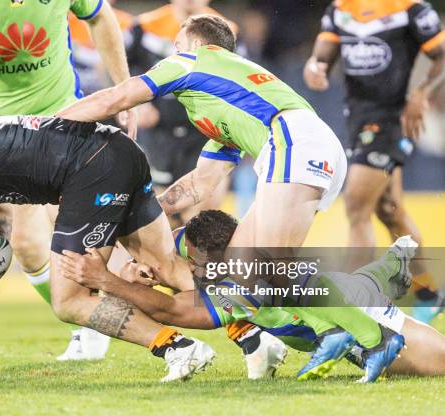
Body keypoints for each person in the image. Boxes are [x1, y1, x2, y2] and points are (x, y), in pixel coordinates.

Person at [56, 14, 409, 382]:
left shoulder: (191, 60)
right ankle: (332, 331)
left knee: (269, 266)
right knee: (245, 270)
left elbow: (118, 96)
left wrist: (46, 124)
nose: (171, 51)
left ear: (194, 43)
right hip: (304, 144)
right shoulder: (225, 98)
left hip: (292, 141)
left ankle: (373, 338)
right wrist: (146, 212)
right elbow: (200, 184)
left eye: (177, 43)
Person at [0, 98, 215, 383]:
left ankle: (176, 347)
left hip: (89, 167)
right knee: (164, 266)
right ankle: (251, 325)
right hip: (116, 152)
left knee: (69, 300)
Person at [0, 0, 137, 358]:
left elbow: (100, 16)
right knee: (28, 248)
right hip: (5, 132)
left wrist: (125, 90)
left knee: (100, 234)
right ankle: (88, 321)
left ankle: (123, 321)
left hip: (66, 119)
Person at [58, 210, 445, 381]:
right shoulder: (203, 240)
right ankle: (391, 265)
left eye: (198, 267)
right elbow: (159, 262)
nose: (190, 271)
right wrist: (135, 273)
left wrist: (108, 281)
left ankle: (390, 269)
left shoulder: (244, 285)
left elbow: (181, 313)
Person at [303, 0, 445, 323]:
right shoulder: (340, 9)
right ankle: (428, 292)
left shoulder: (411, 8)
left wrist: (421, 92)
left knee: (356, 204)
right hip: (358, 119)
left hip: (394, 119)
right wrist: (316, 68)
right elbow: (321, 56)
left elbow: (441, 54)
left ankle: (352, 306)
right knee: (390, 212)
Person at [125, 0, 239, 228]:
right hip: (159, 136)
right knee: (161, 216)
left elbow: (232, 81)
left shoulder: (228, 31)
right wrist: (134, 104)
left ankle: (200, 262)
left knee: (205, 218)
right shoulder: (144, 26)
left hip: (204, 132)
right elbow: (123, 66)